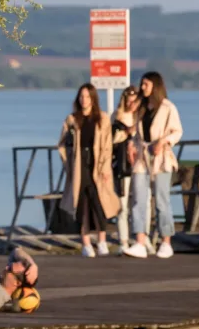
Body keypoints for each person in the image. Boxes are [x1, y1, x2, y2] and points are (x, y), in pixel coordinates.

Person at [123, 71, 183, 259]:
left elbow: (177, 131)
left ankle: (166, 241)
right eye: (142, 84)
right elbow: (136, 133)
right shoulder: (141, 108)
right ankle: (140, 240)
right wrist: (132, 143)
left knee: (162, 199)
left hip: (161, 158)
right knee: (138, 199)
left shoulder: (168, 108)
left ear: (155, 86)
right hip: (143, 156)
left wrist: (164, 142)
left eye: (146, 85)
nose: (142, 88)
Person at [58, 83, 120, 257]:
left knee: (99, 203)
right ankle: (85, 243)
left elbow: (107, 145)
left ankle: (101, 240)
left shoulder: (102, 118)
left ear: (93, 98)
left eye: (87, 96)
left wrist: (106, 168)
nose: (84, 100)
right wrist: (68, 163)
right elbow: (62, 144)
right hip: (79, 166)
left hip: (98, 165)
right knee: (82, 204)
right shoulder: (72, 119)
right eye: (81, 96)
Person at [111, 86, 140, 249]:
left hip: (140, 165)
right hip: (122, 165)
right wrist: (126, 133)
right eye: (128, 99)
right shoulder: (117, 117)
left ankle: (141, 237)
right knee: (122, 205)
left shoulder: (142, 117)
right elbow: (110, 139)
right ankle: (123, 239)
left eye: (134, 100)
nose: (131, 103)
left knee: (140, 203)